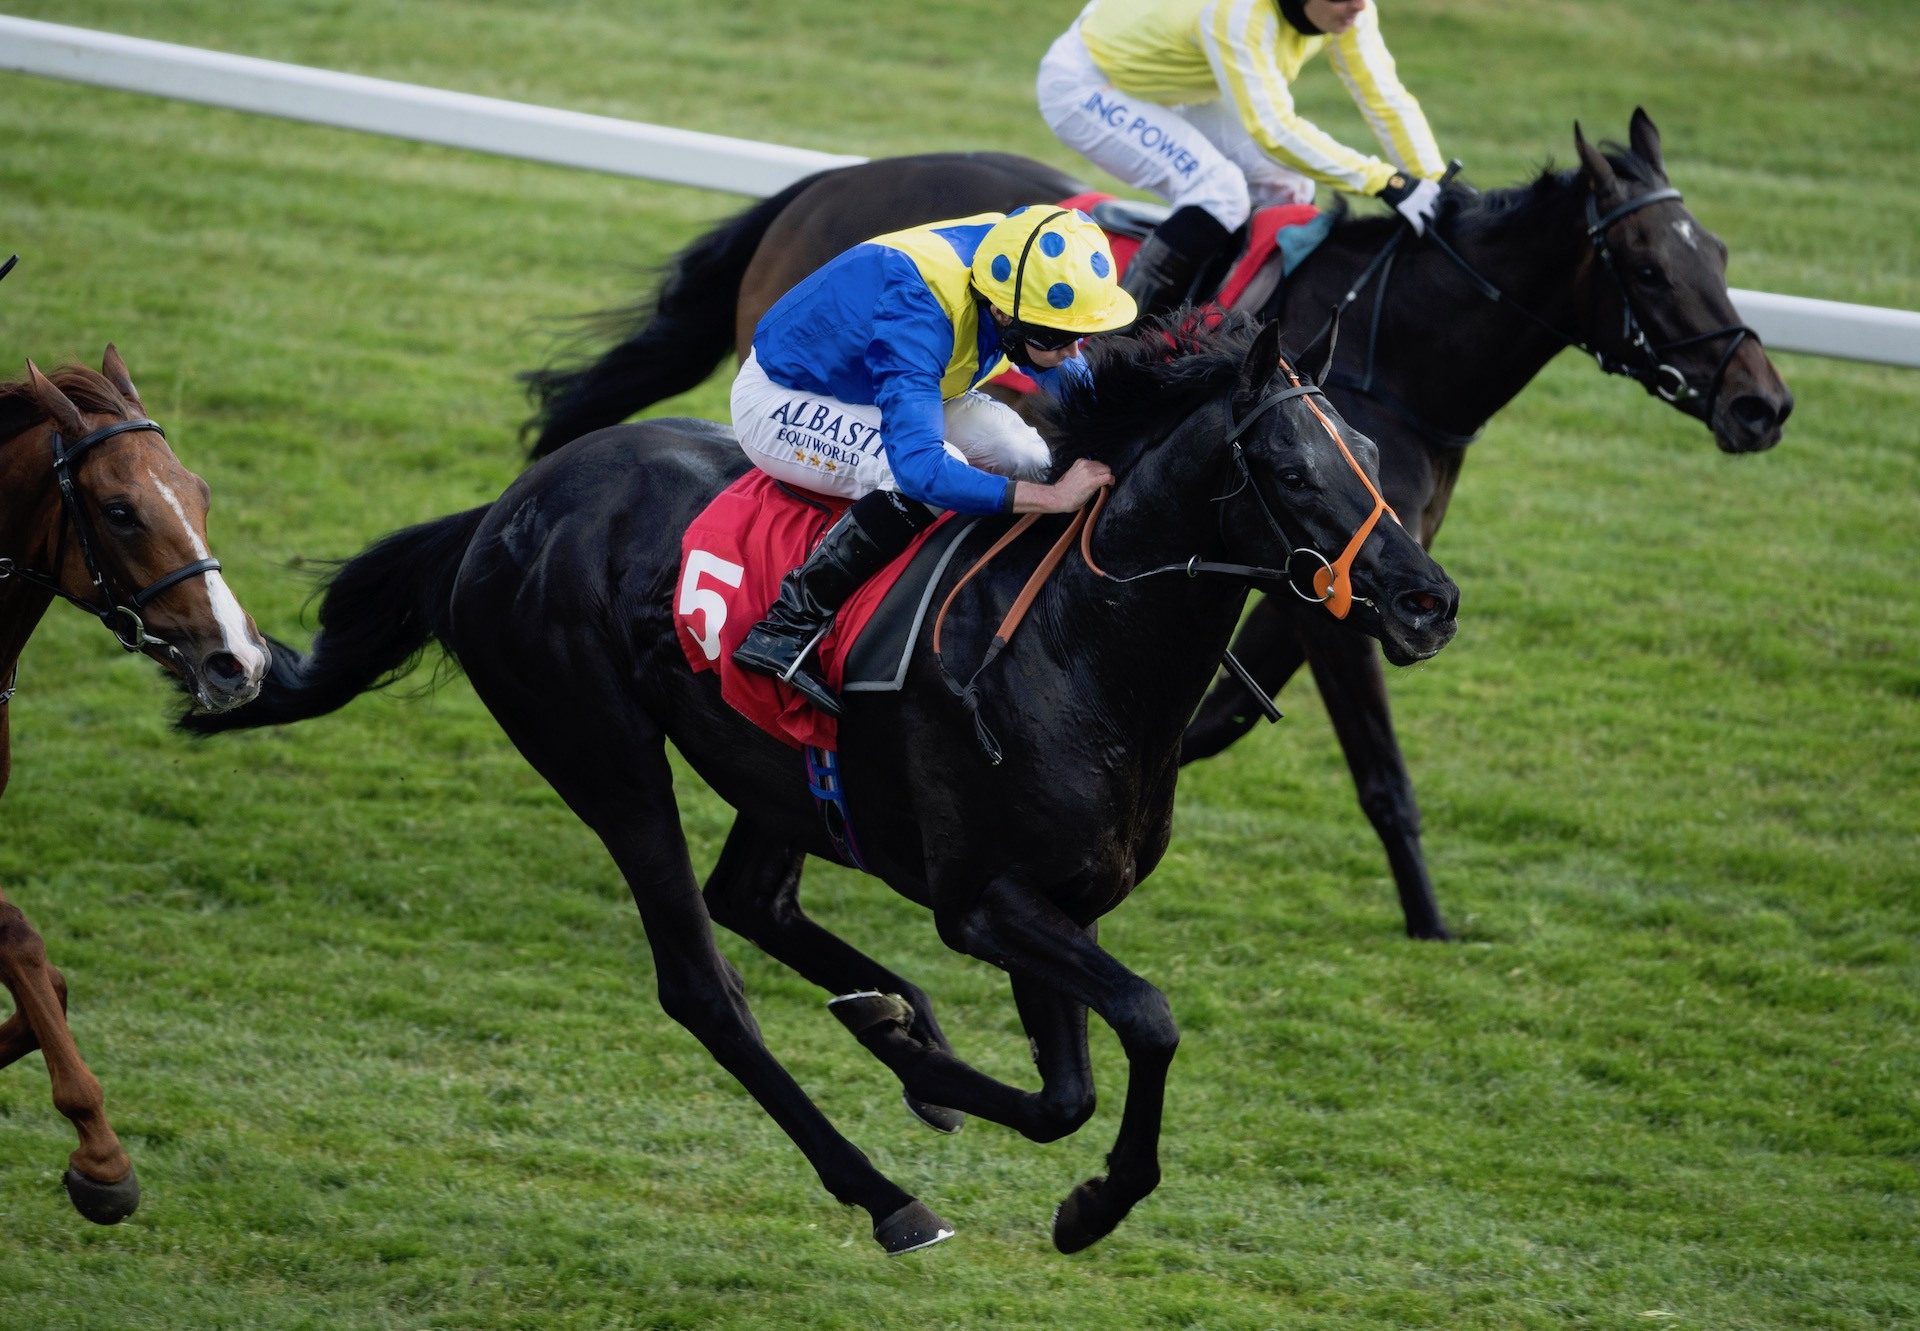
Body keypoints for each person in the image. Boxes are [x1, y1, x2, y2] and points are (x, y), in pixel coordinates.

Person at [728, 206, 1135, 717]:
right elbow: (921, 470)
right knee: (932, 466)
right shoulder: (918, 310)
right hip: (786, 397)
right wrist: (1052, 499)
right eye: (1055, 337)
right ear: (1005, 315)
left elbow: (1062, 371)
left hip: (903, 381)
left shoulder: (1017, 259)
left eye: (1079, 335)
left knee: (1026, 455)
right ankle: (785, 627)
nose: (1072, 352)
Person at [1037, 0, 1448, 317]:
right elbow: (1273, 130)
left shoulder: (1350, 11)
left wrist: (1436, 183)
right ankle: (1117, 339)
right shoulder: (1239, 13)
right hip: (1089, 82)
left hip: (1175, 76)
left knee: (1288, 187)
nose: (1359, 5)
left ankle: (1222, 320)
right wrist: (1386, 181)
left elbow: (1386, 99)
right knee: (1219, 193)